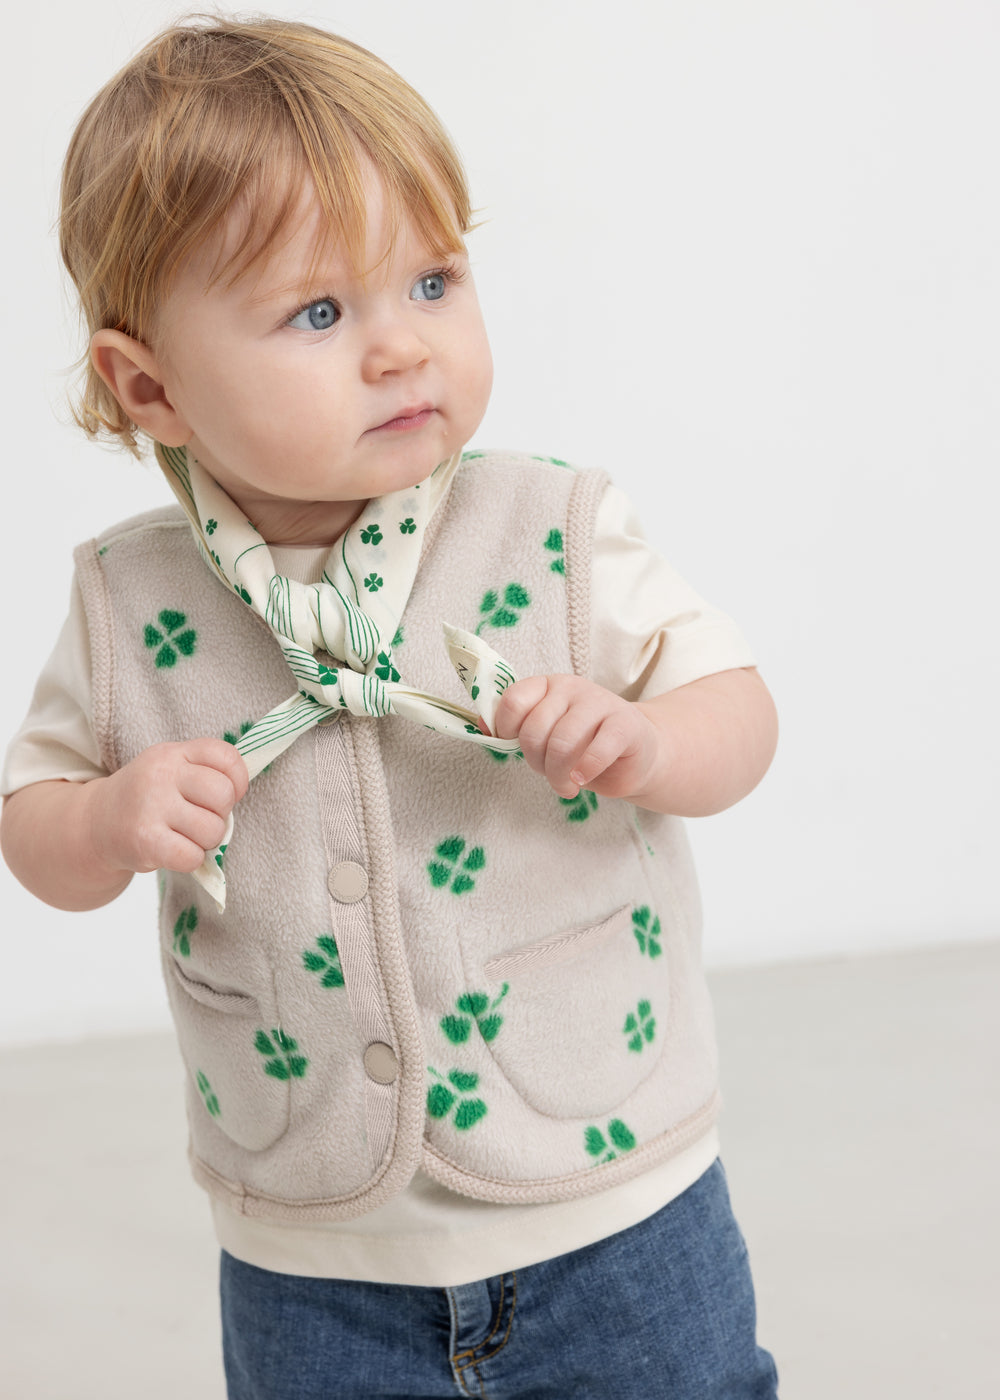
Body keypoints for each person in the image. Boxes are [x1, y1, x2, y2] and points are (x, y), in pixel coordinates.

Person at [1, 16, 780, 1398]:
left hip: (614, 1200)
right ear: (149, 386)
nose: (401, 349)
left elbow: (737, 709)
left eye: (432, 281)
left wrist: (652, 742)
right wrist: (112, 820)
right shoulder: (129, 598)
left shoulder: (552, 524)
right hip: (314, 1251)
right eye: (319, 312)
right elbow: (33, 826)